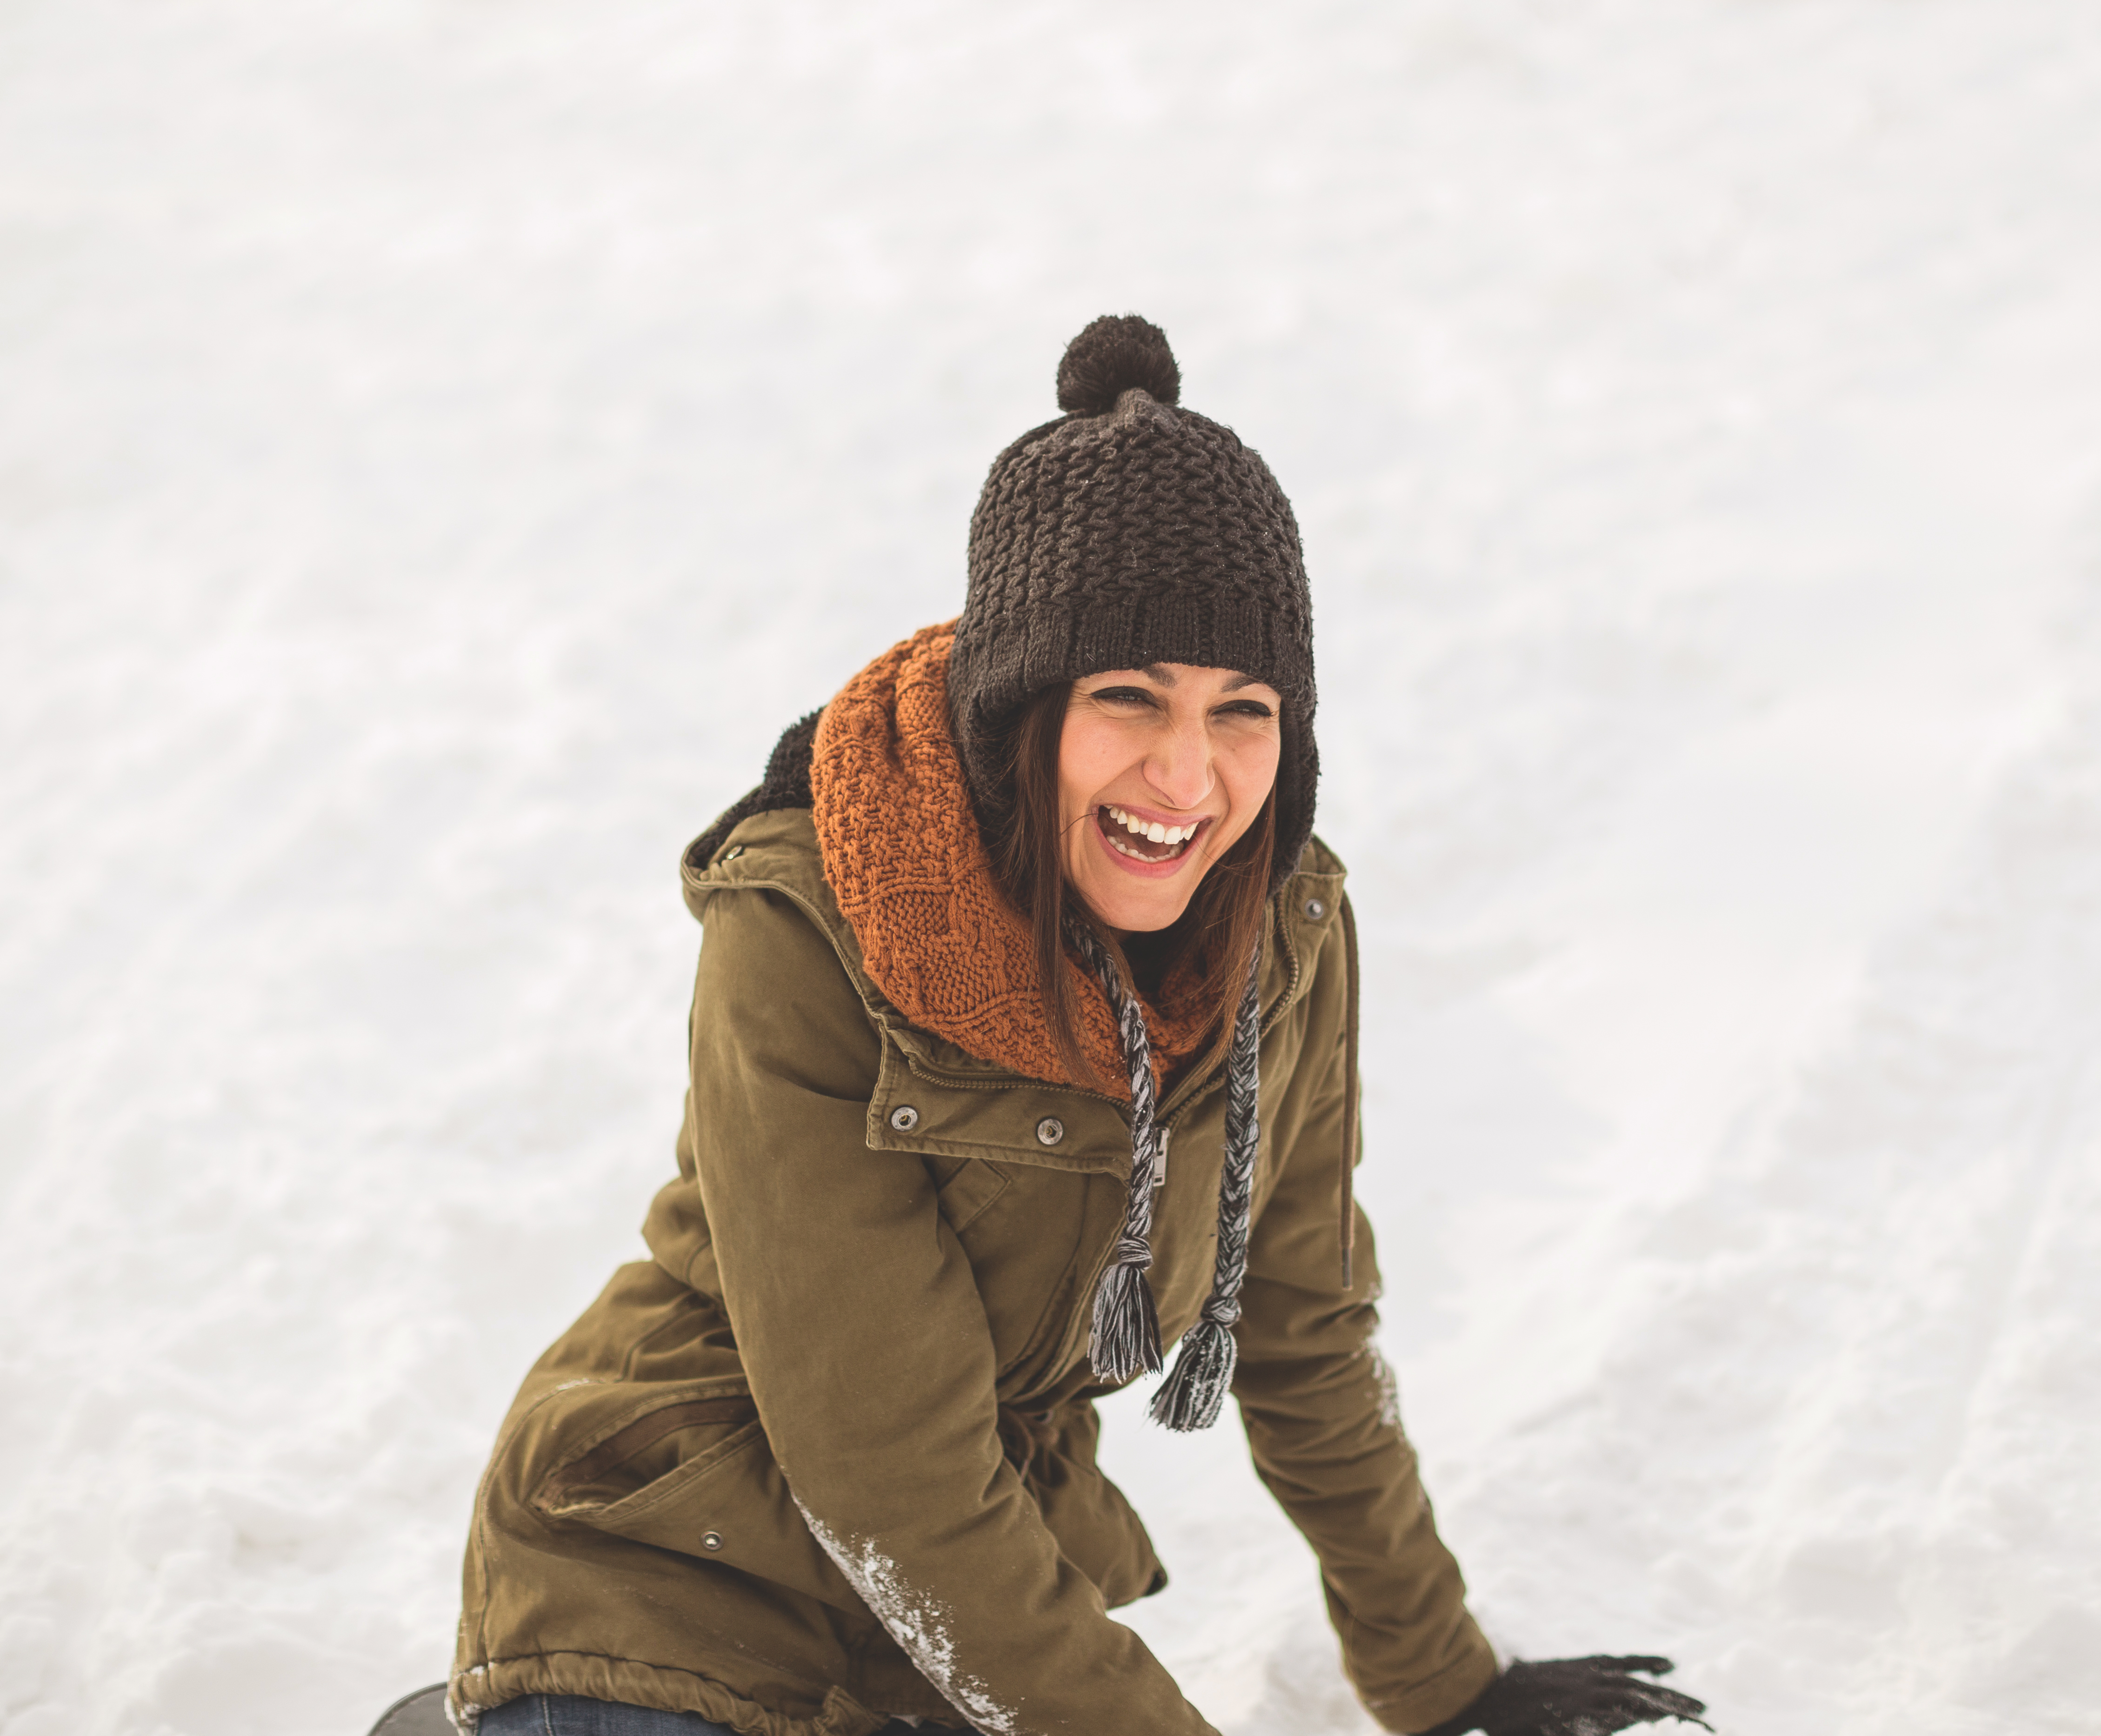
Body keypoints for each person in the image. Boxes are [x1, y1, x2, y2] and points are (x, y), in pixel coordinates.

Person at [447, 316, 1707, 1736]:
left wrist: (1444, 1680)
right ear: (1020, 709)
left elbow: (1304, 1330)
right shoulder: (815, 919)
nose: (1189, 775)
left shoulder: (1280, 932)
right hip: (670, 1584)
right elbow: (891, 1466)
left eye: (1243, 711)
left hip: (961, 1637)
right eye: (1127, 699)